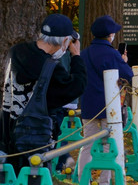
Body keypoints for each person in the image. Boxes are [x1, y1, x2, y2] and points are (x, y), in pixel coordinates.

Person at [1, 14, 86, 169]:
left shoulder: (15, 52)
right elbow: (76, 87)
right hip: (34, 140)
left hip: (6, 133)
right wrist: (76, 57)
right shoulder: (51, 67)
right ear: (65, 41)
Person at [77, 15, 134, 184]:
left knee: (87, 146)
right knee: (109, 145)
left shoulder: (84, 54)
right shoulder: (112, 54)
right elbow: (128, 75)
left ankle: (83, 180)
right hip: (110, 108)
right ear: (109, 35)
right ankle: (104, 181)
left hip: (88, 106)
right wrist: (124, 61)